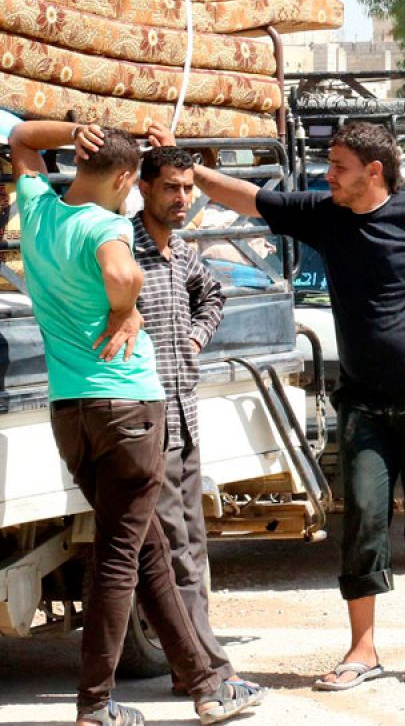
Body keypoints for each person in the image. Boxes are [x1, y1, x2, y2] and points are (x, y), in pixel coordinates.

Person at [190, 122, 405, 690]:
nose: (327, 175)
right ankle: (361, 650)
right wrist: (188, 169)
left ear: (373, 172)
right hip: (363, 400)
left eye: (338, 166)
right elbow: (251, 198)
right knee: (363, 517)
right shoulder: (325, 214)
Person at [5, 114, 262, 725]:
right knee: (119, 558)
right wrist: (125, 310)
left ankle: (205, 685)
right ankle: (95, 706)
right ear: (126, 177)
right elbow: (125, 273)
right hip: (129, 408)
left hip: (73, 410)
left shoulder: (39, 210)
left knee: (146, 552)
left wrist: (67, 133)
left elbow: (19, 140)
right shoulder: (104, 224)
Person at [128, 144, 267, 700]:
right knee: (167, 551)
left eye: (188, 188)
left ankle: (196, 664)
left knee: (191, 547)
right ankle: (202, 667)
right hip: (143, 418)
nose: (182, 198)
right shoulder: (125, 250)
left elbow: (212, 297)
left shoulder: (183, 254)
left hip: (184, 417)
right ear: (143, 188)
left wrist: (193, 337)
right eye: (171, 187)